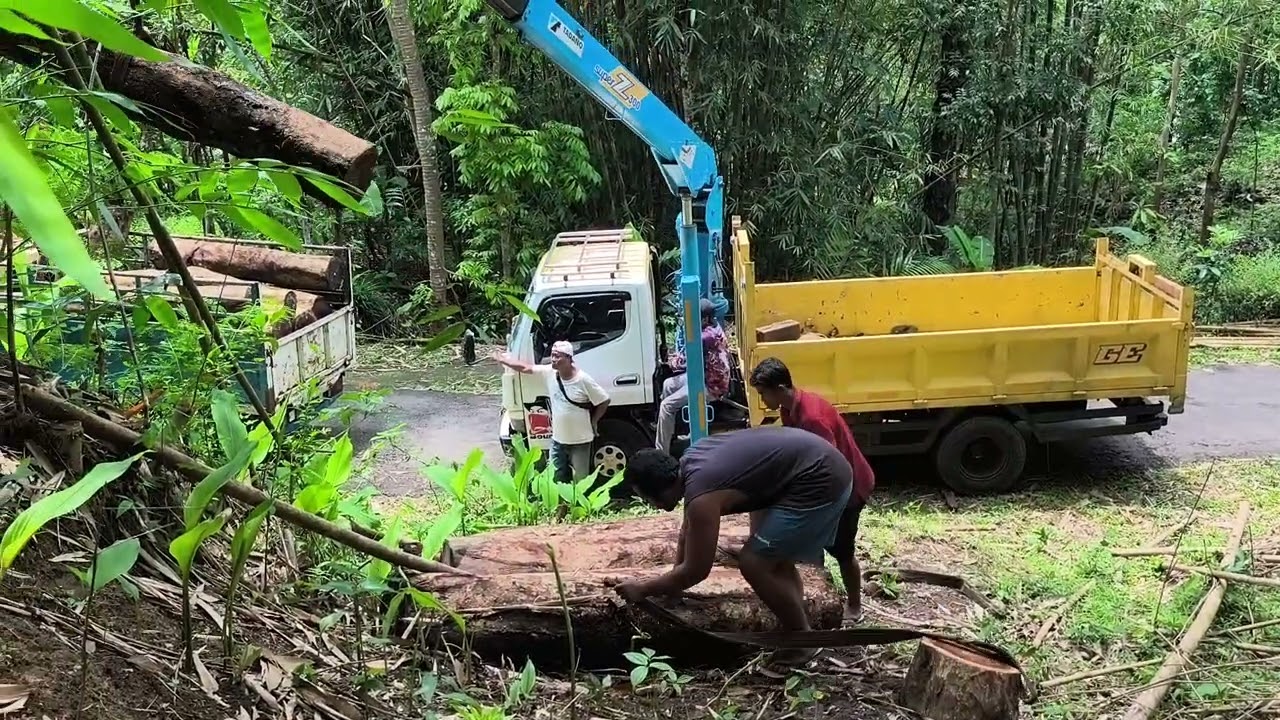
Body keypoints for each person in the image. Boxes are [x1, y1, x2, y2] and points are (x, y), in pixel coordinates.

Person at [615, 426, 854, 669]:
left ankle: (802, 639)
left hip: (820, 476)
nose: (652, 506)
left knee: (755, 562)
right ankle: (797, 623)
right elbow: (687, 531)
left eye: (647, 499)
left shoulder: (702, 496)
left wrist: (643, 589)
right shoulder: (691, 463)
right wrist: (671, 588)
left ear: (657, 490)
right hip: (805, 466)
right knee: (771, 555)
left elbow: (696, 571)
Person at [748, 356, 875, 623]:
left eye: (764, 394)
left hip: (848, 488)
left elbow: (827, 465)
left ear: (780, 389)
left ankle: (855, 605)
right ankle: (819, 599)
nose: (763, 401)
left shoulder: (812, 417)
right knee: (813, 545)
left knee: (842, 550)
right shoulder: (789, 409)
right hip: (830, 485)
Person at [494, 340, 610, 484]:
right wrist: (504, 360)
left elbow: (604, 400)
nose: (553, 359)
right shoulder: (550, 372)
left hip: (581, 441)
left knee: (581, 481)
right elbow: (526, 368)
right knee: (556, 479)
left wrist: (594, 421)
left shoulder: (583, 380)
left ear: (568, 358)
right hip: (558, 440)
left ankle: (579, 506)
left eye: (557, 356)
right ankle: (560, 507)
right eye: (552, 355)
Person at [656, 297, 731, 452]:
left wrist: (667, 362)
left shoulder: (705, 338)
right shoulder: (714, 327)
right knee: (668, 385)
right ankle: (670, 429)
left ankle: (661, 451)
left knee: (666, 405)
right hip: (705, 375)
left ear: (704, 319)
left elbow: (684, 362)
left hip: (711, 385)